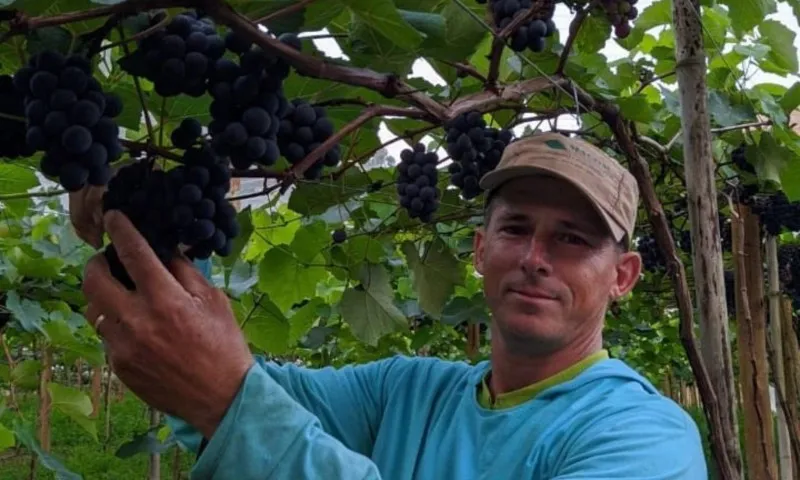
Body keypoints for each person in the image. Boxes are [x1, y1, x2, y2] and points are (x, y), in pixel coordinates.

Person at [79, 132, 708, 479]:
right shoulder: (408, 392)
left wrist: (222, 398)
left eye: (572, 239)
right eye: (516, 229)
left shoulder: (643, 437)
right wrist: (154, 226)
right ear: (479, 249)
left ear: (623, 276)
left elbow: (228, 399)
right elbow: (230, 386)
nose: (536, 256)